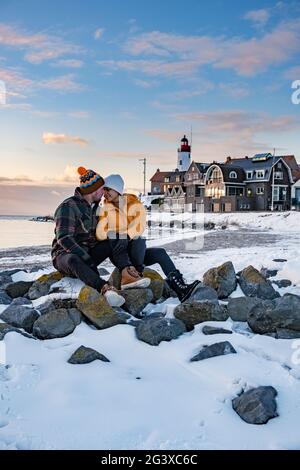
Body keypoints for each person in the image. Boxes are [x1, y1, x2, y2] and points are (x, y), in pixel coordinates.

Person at [51, 167, 148, 308]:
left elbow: (103, 233)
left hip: (89, 256)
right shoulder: (68, 206)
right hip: (65, 257)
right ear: (94, 190)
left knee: (114, 236)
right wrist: (86, 258)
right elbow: (64, 238)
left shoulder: (96, 208)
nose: (104, 192)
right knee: (73, 258)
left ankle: (127, 274)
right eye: (103, 189)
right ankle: (105, 288)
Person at [96, 174, 200, 302]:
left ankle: (181, 288)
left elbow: (139, 226)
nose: (105, 193)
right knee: (136, 239)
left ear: (117, 190)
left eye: (108, 189)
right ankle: (133, 275)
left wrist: (124, 235)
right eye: (104, 190)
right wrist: (117, 236)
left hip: (135, 250)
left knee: (159, 252)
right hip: (119, 253)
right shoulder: (105, 209)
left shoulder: (133, 203)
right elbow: (100, 233)